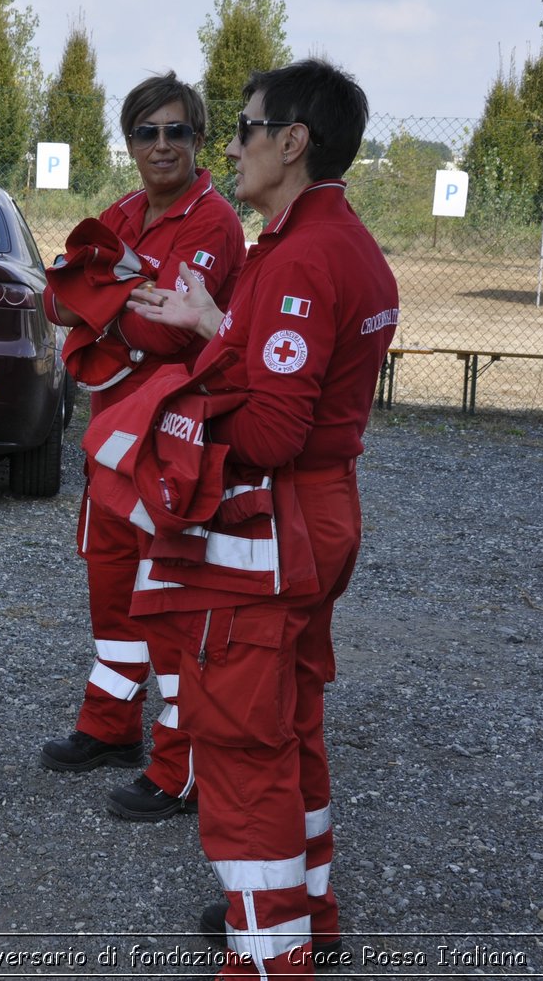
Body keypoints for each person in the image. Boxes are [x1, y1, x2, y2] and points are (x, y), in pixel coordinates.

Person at [123, 58, 399, 977]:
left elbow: (276, 429)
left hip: (277, 526)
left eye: (244, 128)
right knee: (292, 721)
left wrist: (168, 406)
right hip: (324, 515)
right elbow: (298, 385)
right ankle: (304, 908)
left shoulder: (299, 256)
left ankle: (269, 951)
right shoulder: (341, 241)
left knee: (242, 744)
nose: (229, 145)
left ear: (293, 142)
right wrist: (214, 328)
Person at [38, 73, 246, 823]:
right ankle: (109, 721)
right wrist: (119, 299)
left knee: (170, 604)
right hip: (111, 432)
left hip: (168, 439)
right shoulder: (125, 212)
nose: (162, 145)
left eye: (177, 132)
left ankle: (180, 762)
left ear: (197, 139)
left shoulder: (214, 222)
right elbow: (56, 295)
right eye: (146, 132)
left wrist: (106, 301)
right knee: (111, 582)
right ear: (128, 144)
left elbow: (169, 330)